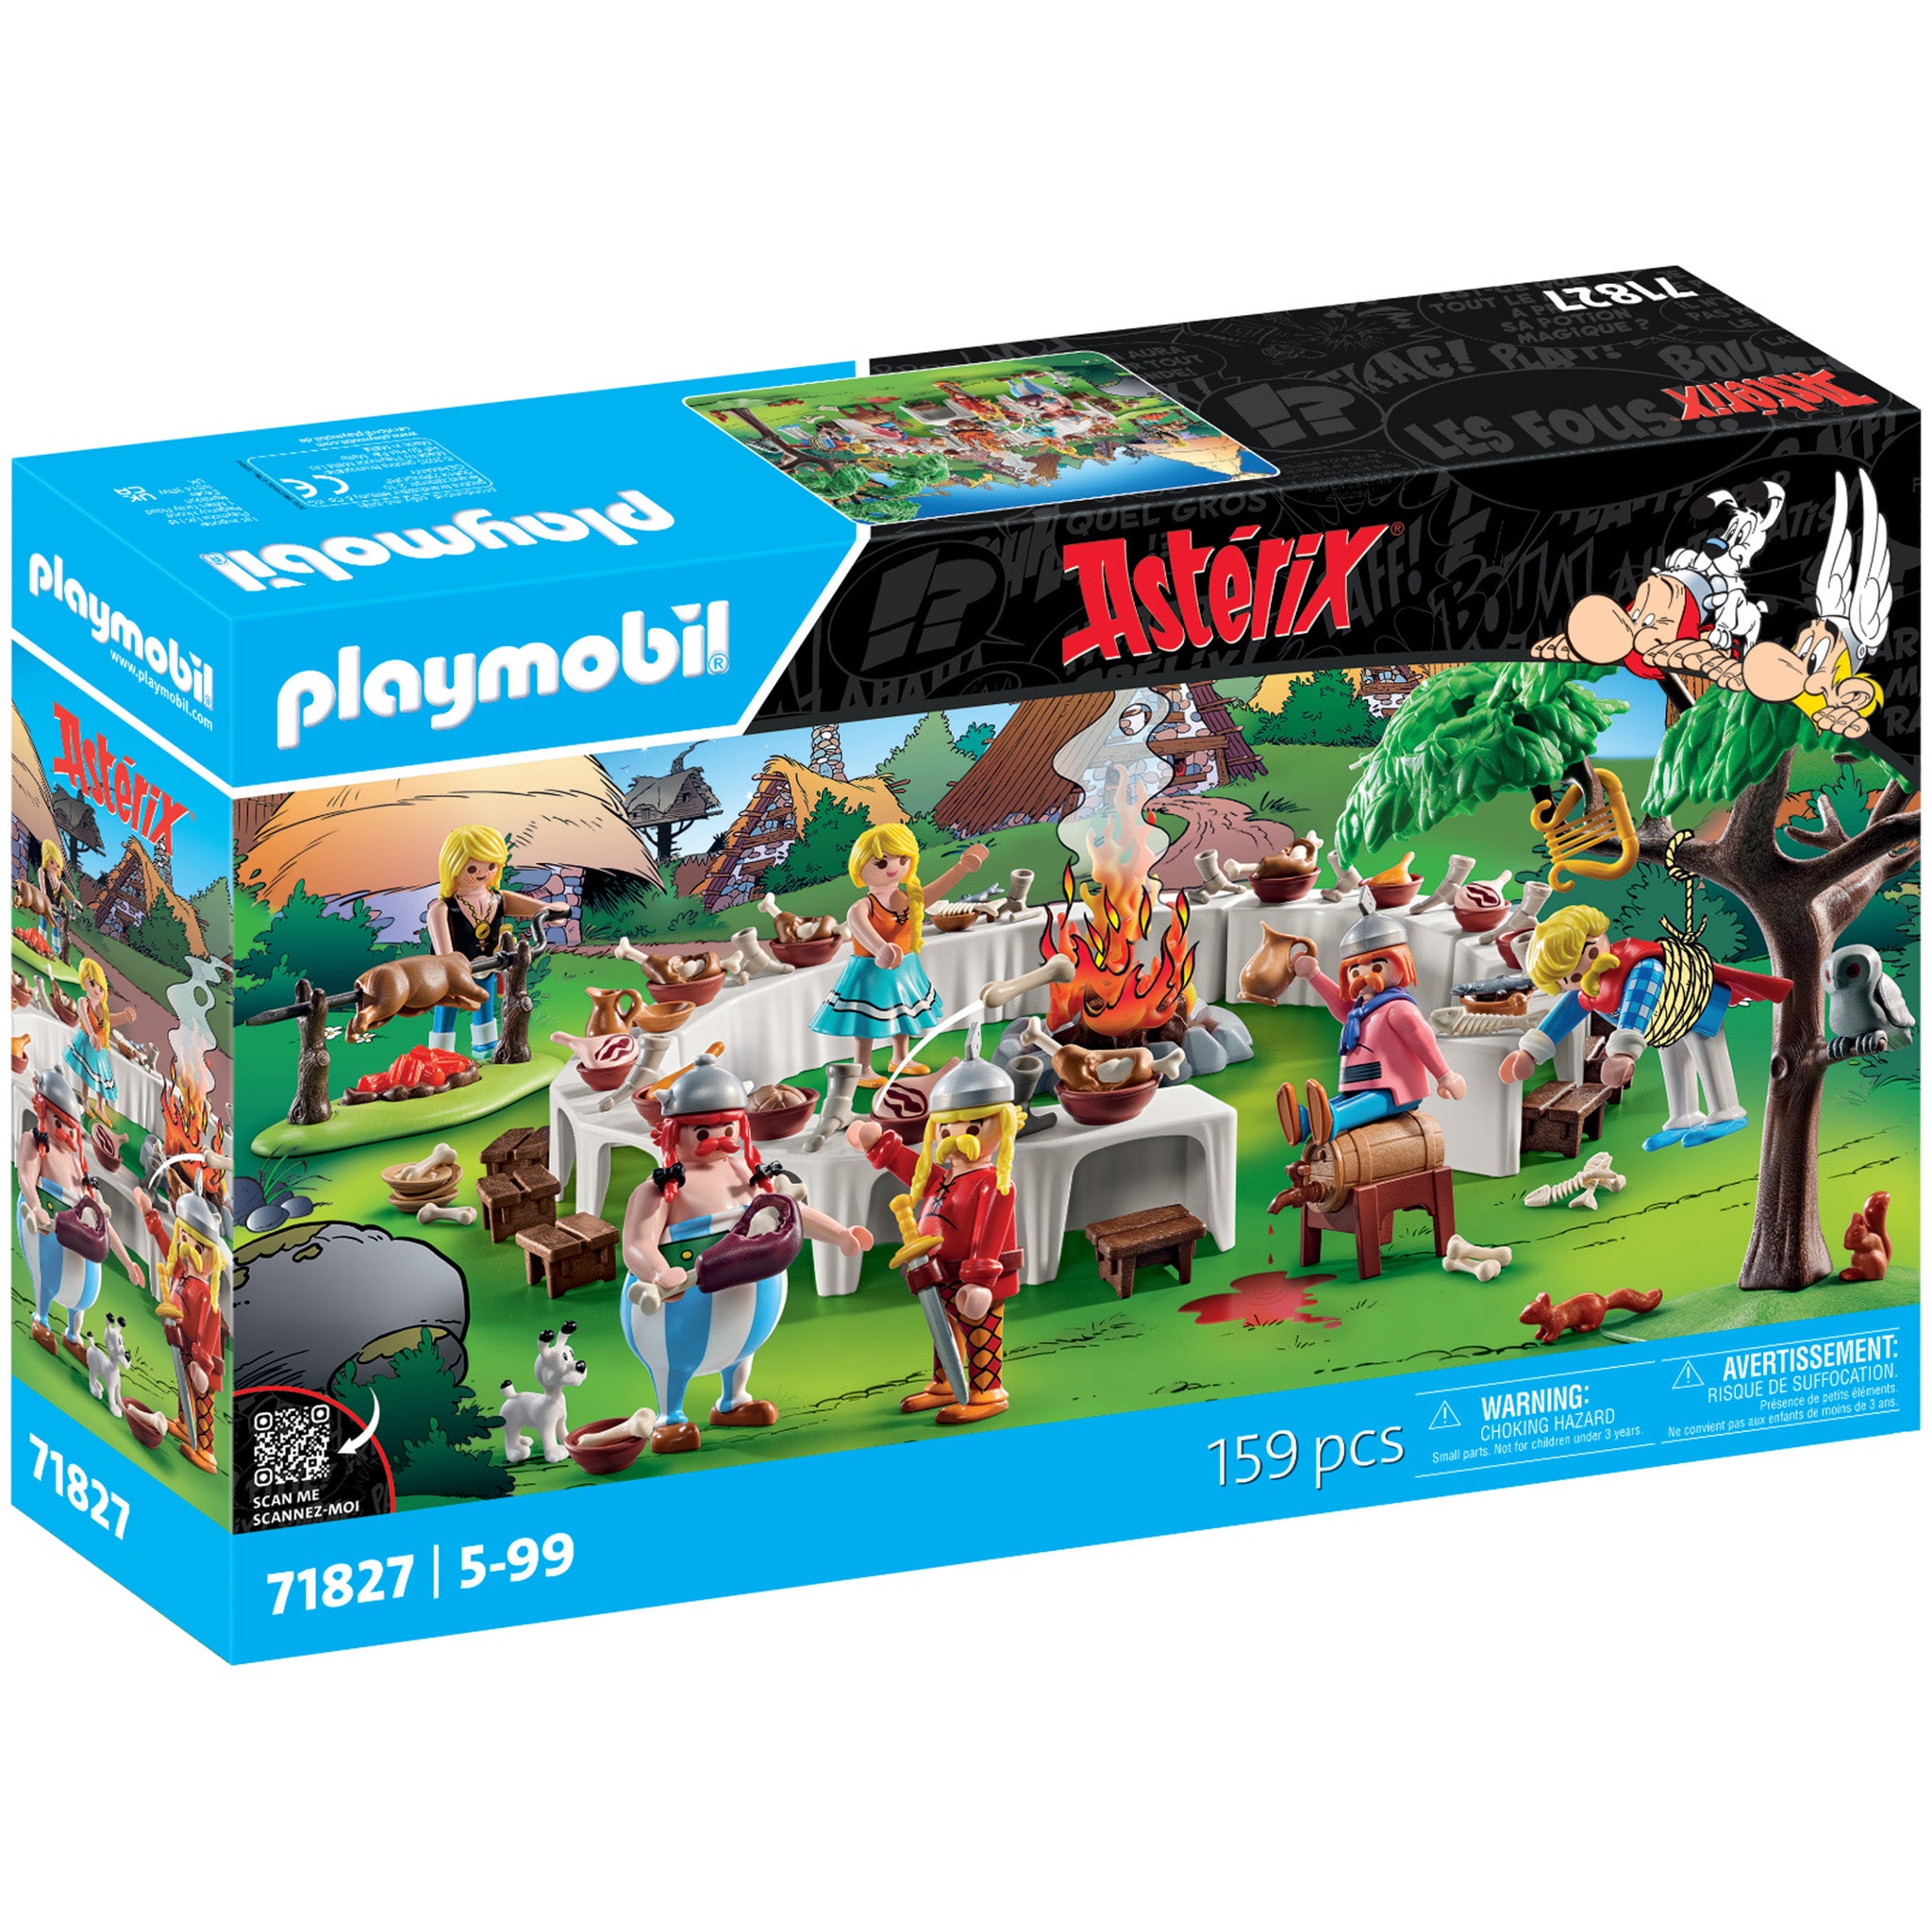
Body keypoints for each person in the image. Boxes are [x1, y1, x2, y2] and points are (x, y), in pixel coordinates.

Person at [620, 1055, 871, 1456]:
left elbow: (787, 1212)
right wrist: (659, 1271)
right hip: (680, 1306)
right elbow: (636, 1242)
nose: (719, 1140)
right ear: (673, 1133)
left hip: (749, 1302)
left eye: (728, 1129)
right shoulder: (662, 1187)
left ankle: (733, 1400)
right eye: (704, 1131)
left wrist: (839, 1234)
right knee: (674, 1359)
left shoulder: (745, 1173)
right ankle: (671, 1416)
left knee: (741, 1348)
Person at [1502, 902, 1790, 1151]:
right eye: (1572, 977)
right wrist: (1530, 1053)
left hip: (1697, 1005)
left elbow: (1636, 1007)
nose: (1586, 972)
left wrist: (1622, 1054)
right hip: (1664, 1025)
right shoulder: (1587, 992)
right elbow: (1563, 1016)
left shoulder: (1641, 967)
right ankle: (1684, 1116)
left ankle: (1727, 1112)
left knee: (1705, 1053)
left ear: (1599, 936)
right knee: (1673, 1059)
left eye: (1589, 954)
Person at [847, 1050, 1024, 1425]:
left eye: (971, 1129)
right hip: (939, 1272)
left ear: (1002, 1124)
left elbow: (988, 1236)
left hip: (979, 1280)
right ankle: (945, 1384)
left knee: (980, 1332)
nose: (955, 1140)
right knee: (945, 1330)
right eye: (947, 1130)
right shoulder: (942, 1178)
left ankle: (987, 1391)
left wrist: (980, 1282)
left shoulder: (995, 1184)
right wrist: (879, 1145)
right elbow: (911, 1170)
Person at [1279, 900, 1466, 1151]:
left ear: (1402, 962)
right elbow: (1342, 1008)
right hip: (1358, 1085)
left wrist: (1445, 1075)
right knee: (1342, 1102)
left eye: (1377, 966)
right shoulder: (1362, 1010)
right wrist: (1314, 976)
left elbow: (1424, 1041)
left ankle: (1332, 1120)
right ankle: (1305, 1122)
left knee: (1360, 1106)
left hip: (1395, 1090)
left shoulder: (1398, 1009)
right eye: (1355, 971)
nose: (1364, 975)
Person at [811, 824, 987, 1084]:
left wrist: (962, 868)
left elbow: (934, 891)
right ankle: (862, 1067)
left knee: (904, 1013)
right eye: (881, 863)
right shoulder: (861, 907)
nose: (893, 868)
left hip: (904, 968)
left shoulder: (907, 899)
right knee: (866, 1022)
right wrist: (881, 949)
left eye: (903, 860)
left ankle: (900, 1057)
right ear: (860, 866)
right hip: (871, 972)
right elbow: (863, 931)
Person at [18, 1065, 143, 1360]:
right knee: (47, 1274)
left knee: (85, 1290)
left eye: (70, 1127)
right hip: (49, 1223)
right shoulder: (36, 1143)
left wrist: (128, 1263)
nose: (64, 1132)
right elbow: (25, 1177)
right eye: (58, 1122)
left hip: (78, 1233)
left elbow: (101, 1222)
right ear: (43, 1111)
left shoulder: (79, 1166)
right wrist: (36, 1207)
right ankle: (41, 1318)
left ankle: (73, 1335)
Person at [423, 824, 568, 1058]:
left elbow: (536, 908)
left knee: (484, 1004)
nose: (483, 874)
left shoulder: (498, 899)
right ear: (452, 866)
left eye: (491, 866)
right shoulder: (442, 910)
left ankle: (486, 1047)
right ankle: (440, 1054)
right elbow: (444, 955)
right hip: (452, 975)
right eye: (472, 868)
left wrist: (549, 910)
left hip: (486, 966)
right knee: (447, 1009)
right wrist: (454, 970)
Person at [136, 1188, 227, 1474]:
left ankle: (207, 1452)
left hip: (204, 1363)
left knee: (203, 1401)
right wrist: (150, 1215)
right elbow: (166, 1246)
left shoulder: (207, 1295)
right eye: (185, 1239)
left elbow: (209, 1329)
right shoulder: (180, 1273)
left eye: (197, 1247)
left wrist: (202, 1364)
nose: (188, 1248)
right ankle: (185, 1424)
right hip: (183, 1347)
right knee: (183, 1389)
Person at [64, 956, 131, 1120]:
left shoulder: (102, 1008)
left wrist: (124, 1016)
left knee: (101, 1078)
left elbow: (109, 1020)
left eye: (101, 988)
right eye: (93, 983)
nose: (96, 990)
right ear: (84, 981)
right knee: (86, 1075)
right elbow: (84, 1018)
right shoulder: (83, 1001)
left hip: (100, 1048)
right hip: (86, 1043)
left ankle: (100, 1107)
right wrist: (92, 1034)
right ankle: (85, 1101)